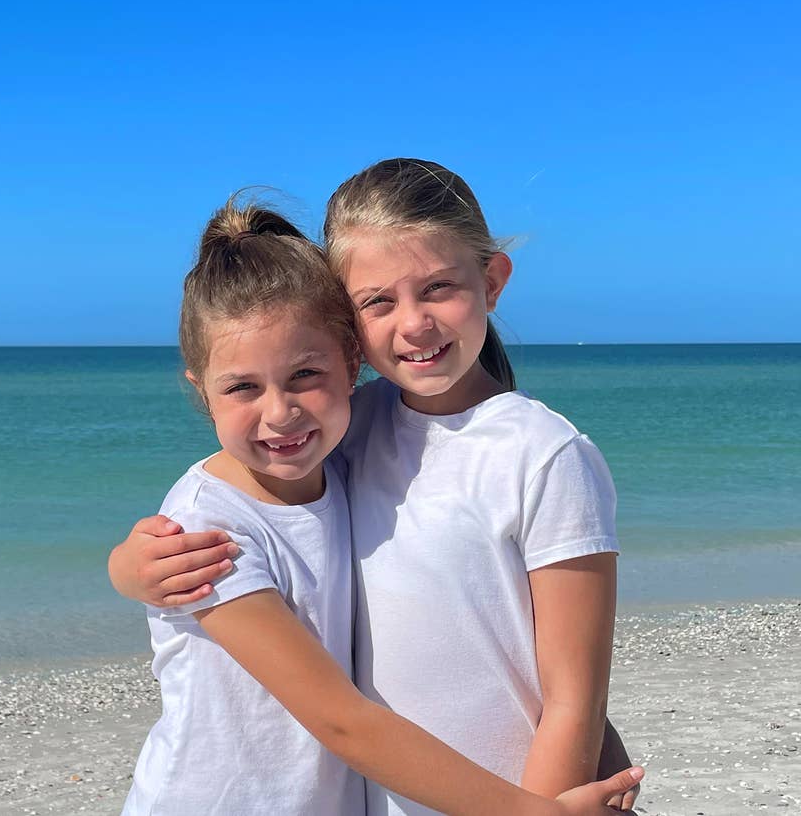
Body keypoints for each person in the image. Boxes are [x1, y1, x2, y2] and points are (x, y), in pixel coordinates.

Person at [121, 190, 640, 815]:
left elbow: (570, 689)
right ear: (355, 329)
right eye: (379, 301)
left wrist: (552, 799)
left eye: (439, 286)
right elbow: (342, 714)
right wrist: (129, 566)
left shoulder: (540, 452)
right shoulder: (341, 437)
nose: (281, 411)